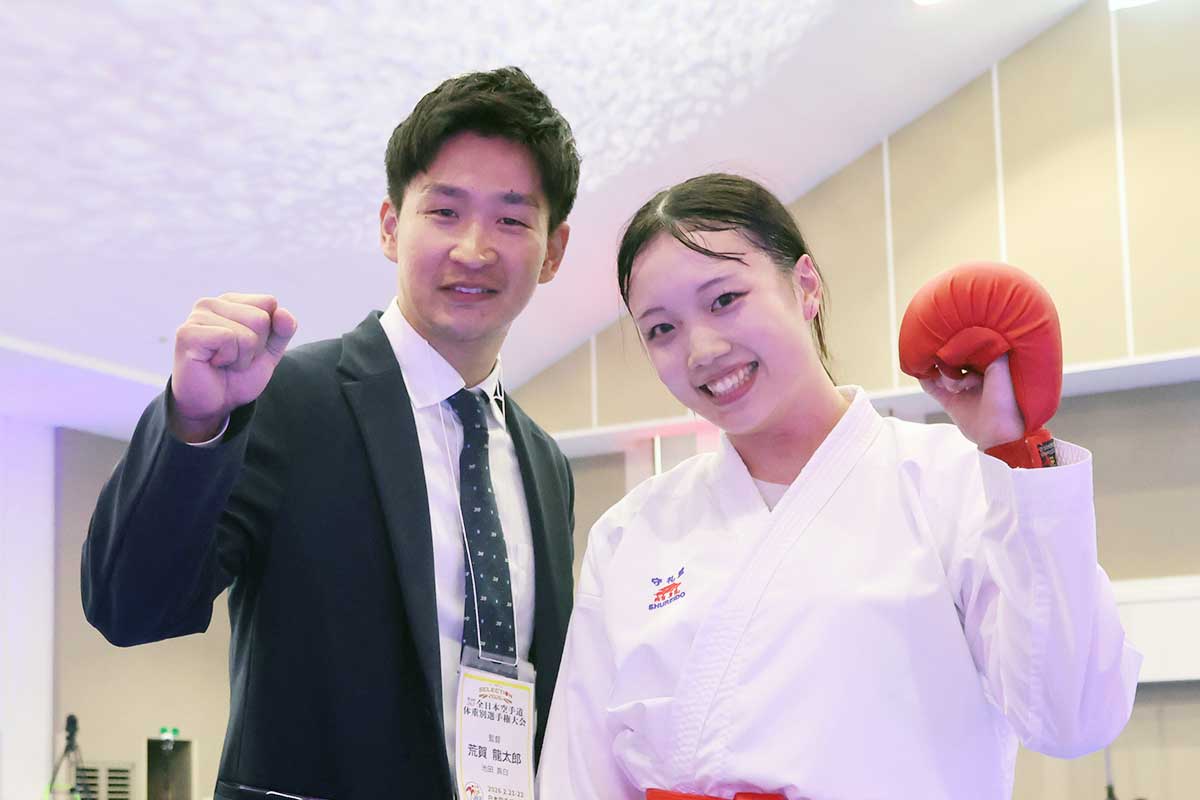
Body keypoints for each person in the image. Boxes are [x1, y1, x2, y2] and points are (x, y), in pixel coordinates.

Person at [536, 173, 1140, 800]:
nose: (701, 350)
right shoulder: (631, 532)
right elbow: (577, 778)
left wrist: (1012, 449)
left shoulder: (949, 483)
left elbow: (1073, 718)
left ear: (805, 287)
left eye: (724, 300)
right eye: (661, 329)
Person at [83, 66, 579, 800]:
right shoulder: (289, 398)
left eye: (511, 220)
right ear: (390, 226)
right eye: (445, 211)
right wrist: (195, 423)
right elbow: (132, 607)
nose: (474, 249)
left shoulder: (544, 463)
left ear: (554, 250)